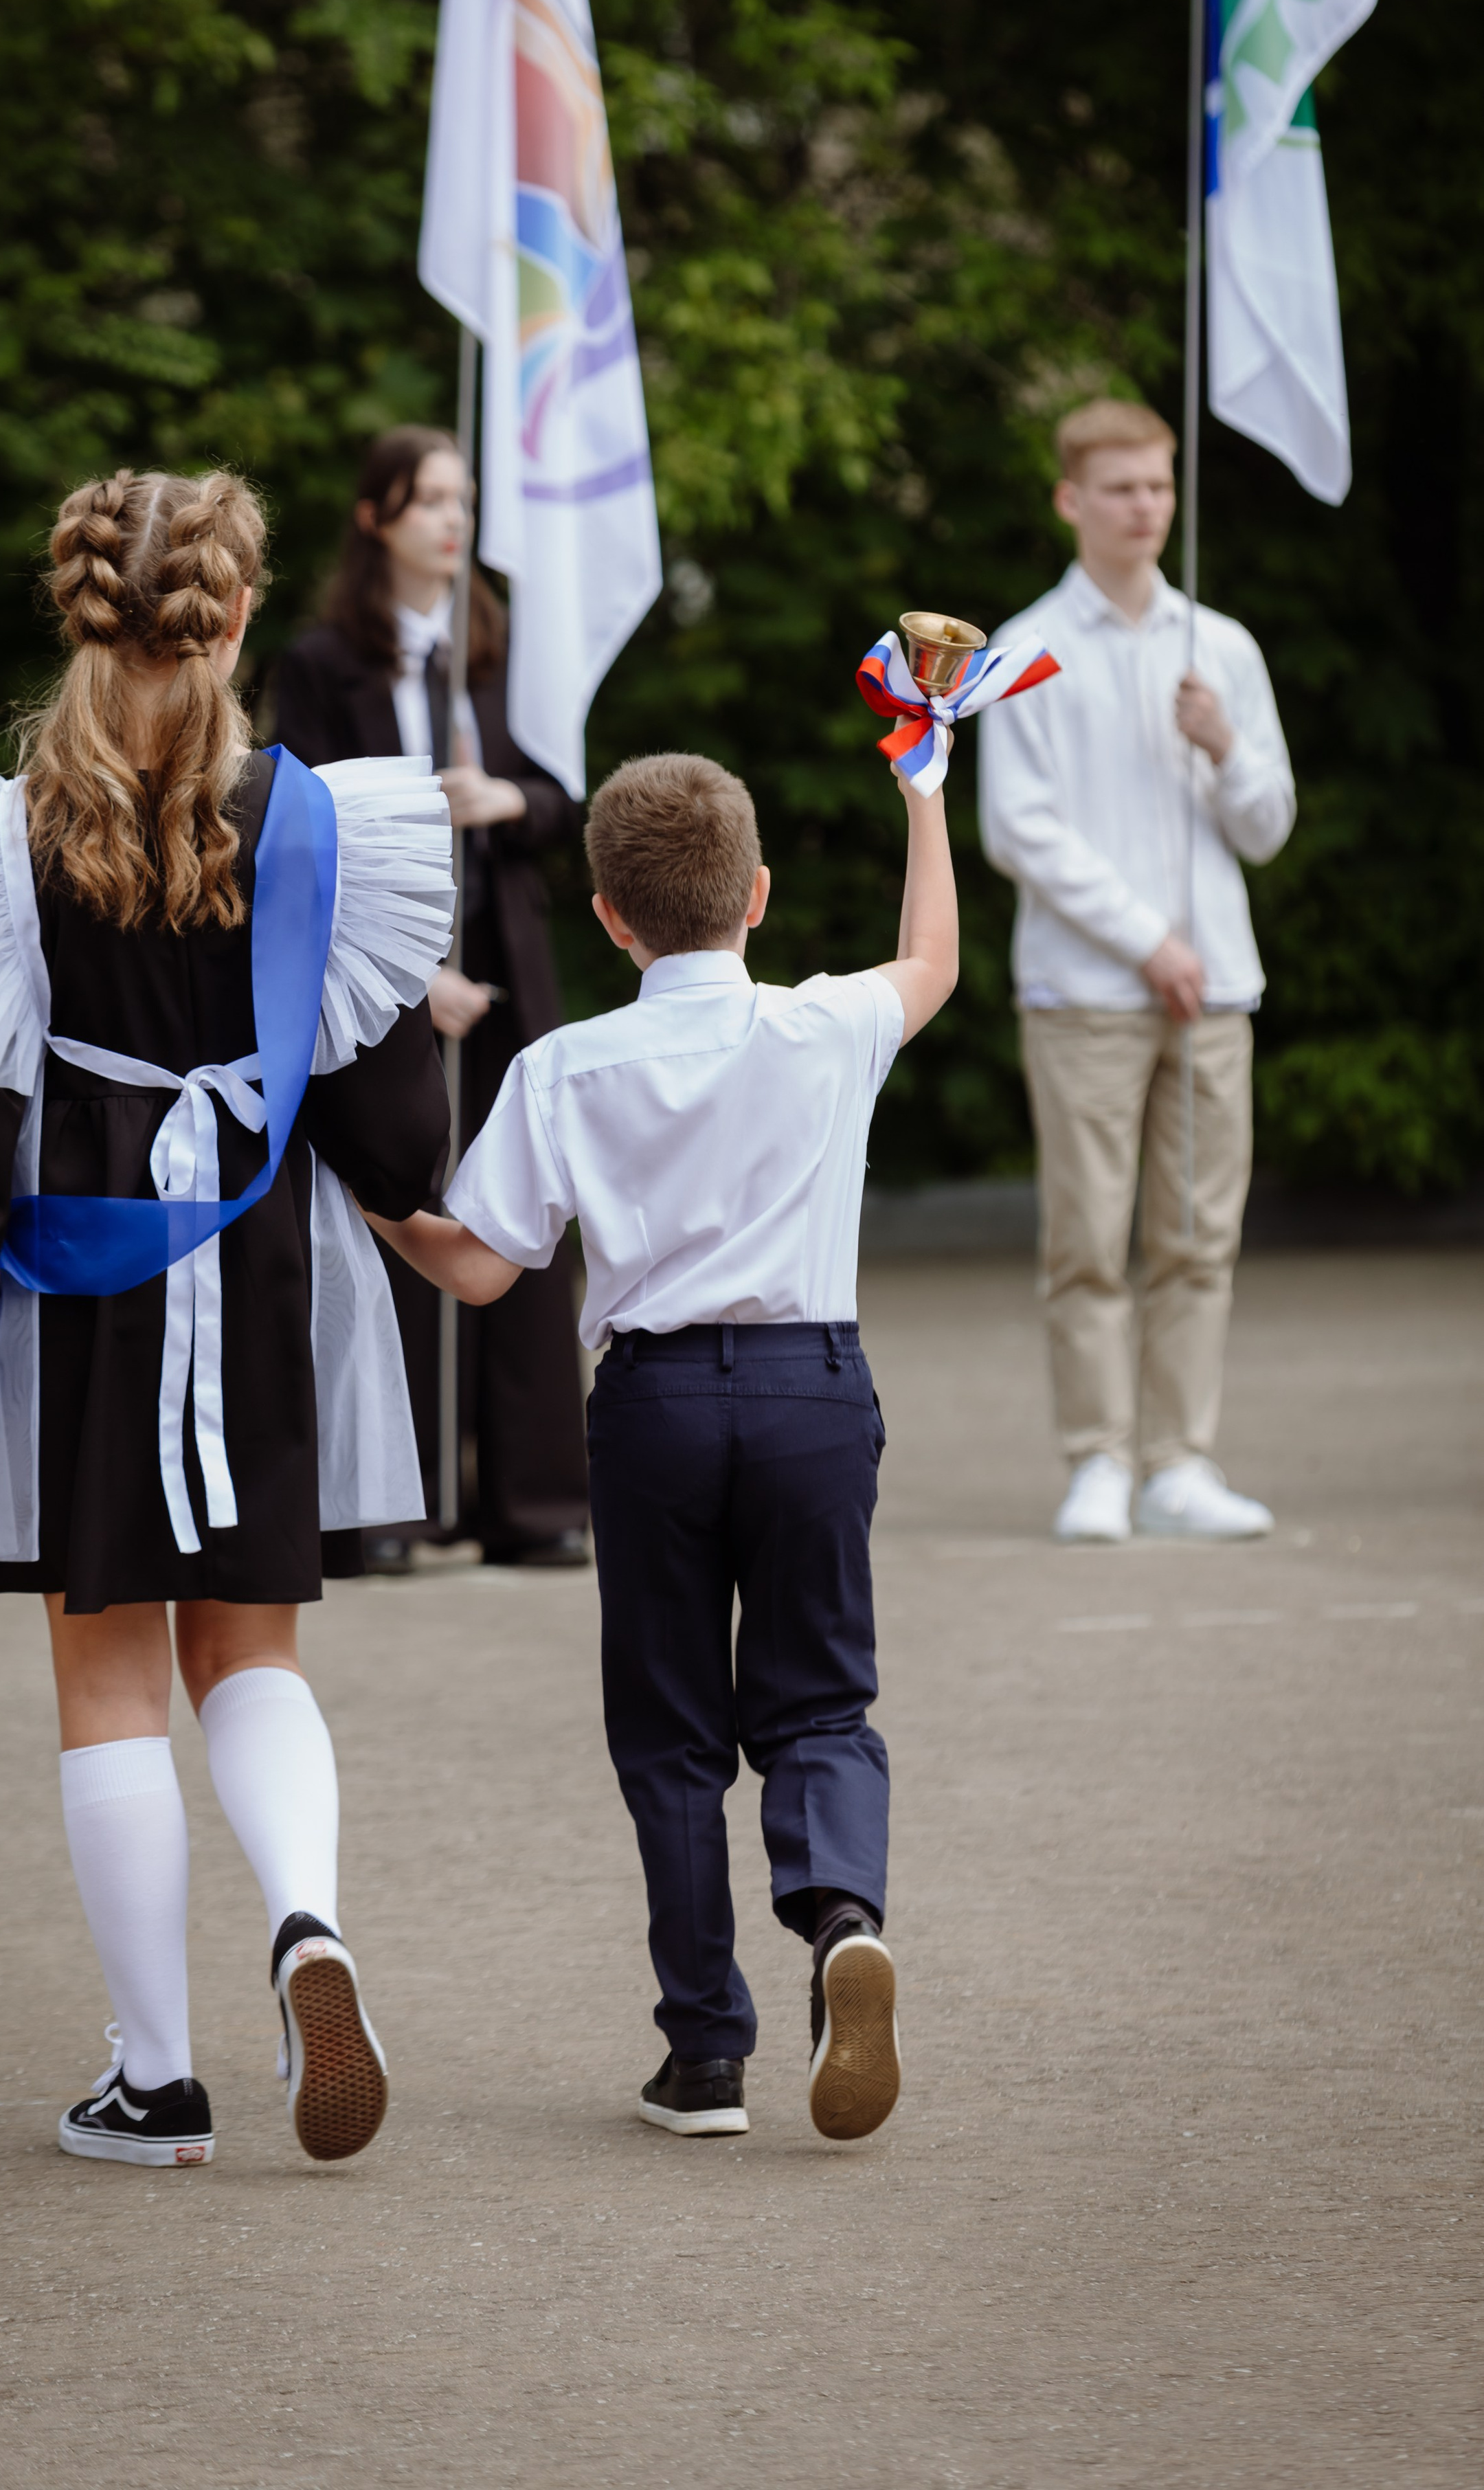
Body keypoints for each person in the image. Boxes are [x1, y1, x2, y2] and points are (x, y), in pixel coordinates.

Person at [0, 469, 453, 2168]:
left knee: (106, 1673)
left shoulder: (1, 837)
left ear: (76, 610)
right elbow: (380, 1109)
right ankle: (307, 1922)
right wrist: (445, 1234)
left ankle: (155, 2083)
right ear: (237, 618)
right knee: (247, 1643)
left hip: (76, 1270)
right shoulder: (316, 823)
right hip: (252, 1266)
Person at [361, 748, 960, 2144]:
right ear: (756, 895)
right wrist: (922, 790)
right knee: (819, 1699)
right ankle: (840, 1921)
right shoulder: (823, 1028)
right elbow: (928, 954)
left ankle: (702, 2056)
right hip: (814, 1389)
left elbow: (480, 1271)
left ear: (607, 916)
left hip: (655, 1406)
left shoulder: (563, 1065)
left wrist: (373, 1199)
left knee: (672, 1734)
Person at [269, 427, 589, 1571]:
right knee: (394, 1205)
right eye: (428, 501)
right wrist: (410, 979)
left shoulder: (503, 656)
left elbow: (570, 802)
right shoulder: (319, 663)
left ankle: (534, 1498)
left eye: (463, 499)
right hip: (375, 979)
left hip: (505, 967)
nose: (452, 521)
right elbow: (293, 820)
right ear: (376, 520)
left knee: (520, 1217)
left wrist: (506, 799)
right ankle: (384, 1506)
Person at [980, 398, 1297, 1544]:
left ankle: (1181, 1461)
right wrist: (1145, 939)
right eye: (1121, 488)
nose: (1146, 507)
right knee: (1087, 1235)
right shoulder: (1021, 650)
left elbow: (1265, 826)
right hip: (1088, 993)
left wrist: (1226, 745)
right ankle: (1098, 1459)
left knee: (1198, 1235)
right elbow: (1021, 829)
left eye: (1159, 487)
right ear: (1072, 499)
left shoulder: (1225, 650)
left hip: (1216, 992)